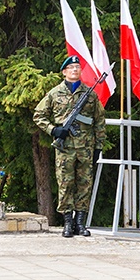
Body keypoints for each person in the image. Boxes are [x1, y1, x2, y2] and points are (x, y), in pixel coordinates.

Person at [33, 55, 106, 238]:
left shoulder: (90, 94)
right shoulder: (54, 93)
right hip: (65, 148)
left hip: (86, 148)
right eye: (71, 67)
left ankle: (80, 223)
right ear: (64, 72)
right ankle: (67, 222)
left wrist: (98, 147)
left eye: (77, 67)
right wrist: (54, 130)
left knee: (84, 184)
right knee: (65, 184)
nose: (75, 70)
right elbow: (38, 116)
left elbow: (99, 122)